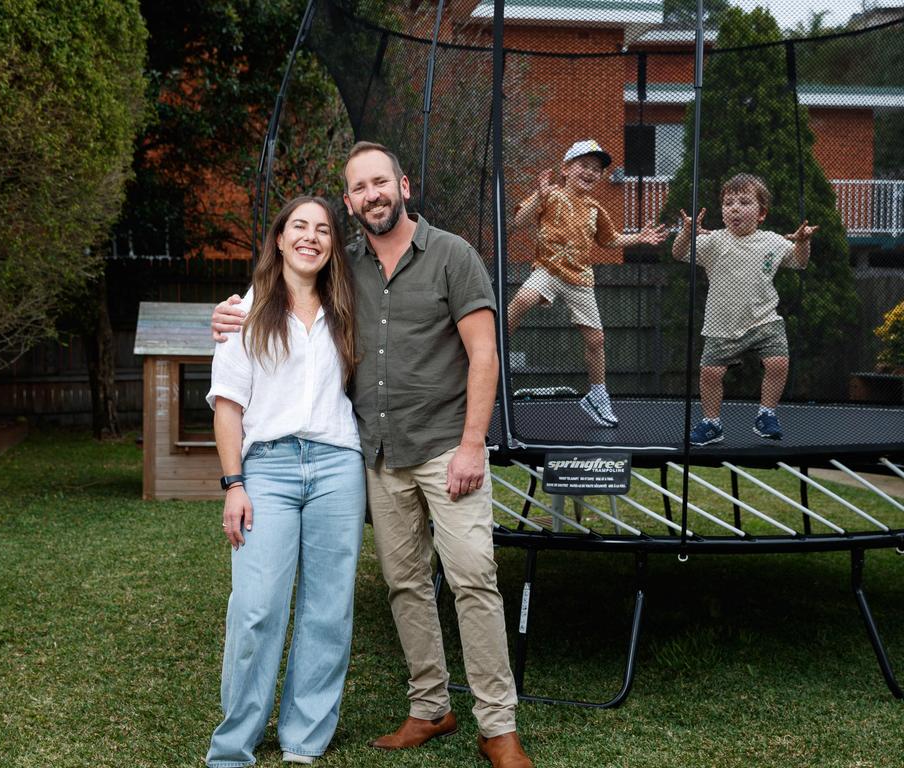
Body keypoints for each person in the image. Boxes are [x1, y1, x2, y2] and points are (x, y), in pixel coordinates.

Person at [212, 142, 533, 768]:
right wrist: (224, 314)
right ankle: (429, 707)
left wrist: (474, 444)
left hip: (447, 449)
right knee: (405, 584)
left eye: (379, 183)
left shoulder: (451, 255)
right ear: (351, 201)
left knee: (472, 577)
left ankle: (498, 727)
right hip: (377, 458)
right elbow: (275, 302)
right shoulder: (345, 266)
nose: (371, 196)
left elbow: (485, 354)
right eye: (358, 189)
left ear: (403, 186)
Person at [204, 196, 365, 767]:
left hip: (337, 467)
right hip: (266, 468)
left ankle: (304, 739)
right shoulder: (246, 311)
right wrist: (234, 483)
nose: (311, 237)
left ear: (331, 246)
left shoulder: (348, 308)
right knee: (256, 606)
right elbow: (227, 407)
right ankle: (233, 745)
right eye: (299, 226)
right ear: (279, 239)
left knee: (328, 607)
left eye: (323, 229)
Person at [508, 139, 668, 427]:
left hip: (579, 277)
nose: (591, 173)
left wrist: (638, 238)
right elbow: (519, 221)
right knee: (522, 300)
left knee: (596, 339)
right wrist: (538, 196)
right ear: (566, 169)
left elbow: (610, 240)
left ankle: (597, 394)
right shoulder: (550, 194)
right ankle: (492, 347)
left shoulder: (596, 209)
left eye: (597, 169)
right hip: (548, 268)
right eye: (584, 166)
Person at [672, 173, 817, 446]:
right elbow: (678, 253)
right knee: (711, 374)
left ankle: (766, 414)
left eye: (744, 202)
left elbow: (799, 262)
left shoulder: (772, 241)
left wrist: (802, 242)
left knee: (778, 363)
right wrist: (686, 232)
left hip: (764, 320)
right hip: (722, 324)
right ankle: (712, 423)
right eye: (728, 203)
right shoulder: (714, 241)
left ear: (761, 213)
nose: (734, 208)